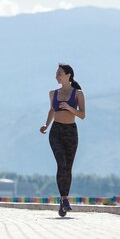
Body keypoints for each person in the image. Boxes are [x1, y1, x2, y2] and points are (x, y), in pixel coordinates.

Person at [40, 63, 86, 217]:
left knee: (68, 167)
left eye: (59, 73)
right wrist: (46, 125)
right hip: (56, 131)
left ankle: (63, 201)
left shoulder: (78, 93)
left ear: (68, 75)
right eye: (56, 73)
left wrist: (69, 107)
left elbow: (82, 115)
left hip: (71, 132)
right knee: (61, 163)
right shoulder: (53, 93)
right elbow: (52, 110)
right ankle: (65, 199)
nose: (57, 76)